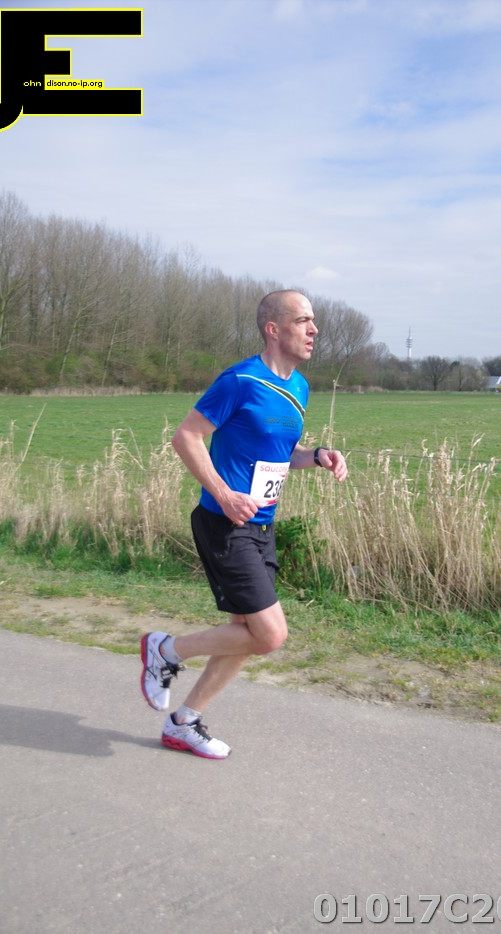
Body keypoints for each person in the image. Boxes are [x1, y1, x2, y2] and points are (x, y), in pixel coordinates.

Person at [140, 289, 348, 758]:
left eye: (313, 321)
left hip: (261, 526)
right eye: (303, 320)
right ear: (273, 329)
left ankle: (183, 722)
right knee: (270, 634)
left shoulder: (299, 387)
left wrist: (316, 456)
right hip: (224, 524)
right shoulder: (240, 380)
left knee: (246, 634)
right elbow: (186, 437)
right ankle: (165, 651)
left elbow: (279, 455)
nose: (314, 329)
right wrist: (223, 493)